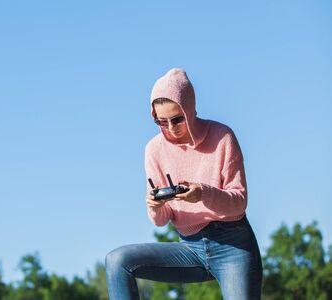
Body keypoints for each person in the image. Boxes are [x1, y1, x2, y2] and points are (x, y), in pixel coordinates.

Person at [105, 68, 262, 299]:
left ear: (189, 110)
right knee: (117, 261)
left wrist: (203, 194)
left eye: (177, 119)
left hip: (233, 246)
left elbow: (239, 202)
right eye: (161, 121)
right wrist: (155, 205)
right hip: (190, 248)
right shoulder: (154, 150)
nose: (170, 128)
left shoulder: (222, 137)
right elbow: (161, 221)